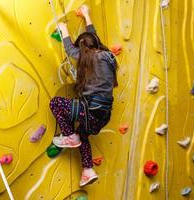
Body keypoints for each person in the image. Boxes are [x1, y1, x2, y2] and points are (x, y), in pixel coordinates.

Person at [49, 4, 118, 187]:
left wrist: (64, 30)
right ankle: (88, 171)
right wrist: (87, 16)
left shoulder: (88, 57)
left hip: (90, 111)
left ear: (83, 50)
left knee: (56, 103)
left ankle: (69, 135)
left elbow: (71, 51)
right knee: (83, 135)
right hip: (103, 118)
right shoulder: (108, 56)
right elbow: (94, 38)